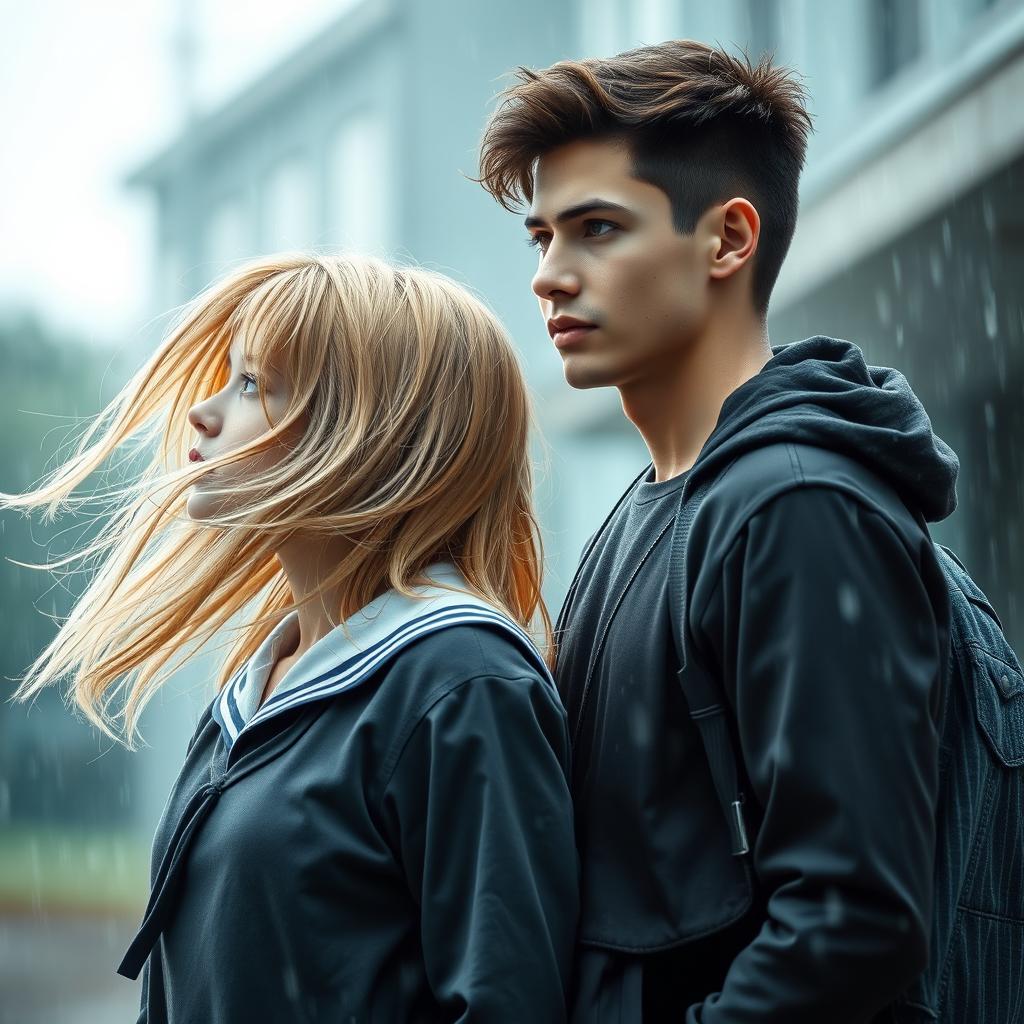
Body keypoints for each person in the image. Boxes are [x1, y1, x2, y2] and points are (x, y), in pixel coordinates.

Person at [477, 40, 962, 1021]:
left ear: (728, 239)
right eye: (541, 239)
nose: (549, 277)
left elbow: (851, 921)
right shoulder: (649, 511)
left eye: (596, 229)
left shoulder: (798, 507)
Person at [2, 252, 579, 1023]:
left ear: (368, 428)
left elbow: (505, 1004)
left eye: (251, 384)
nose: (203, 415)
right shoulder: (257, 688)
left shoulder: (461, 681)